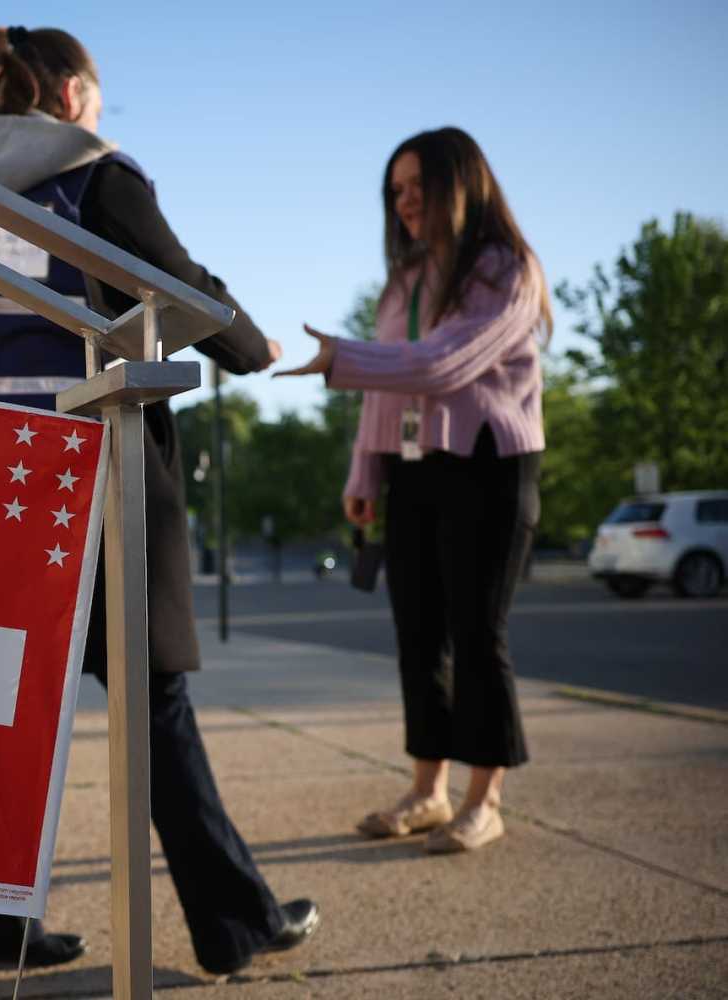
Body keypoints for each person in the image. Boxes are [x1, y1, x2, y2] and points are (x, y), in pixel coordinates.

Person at [0, 25, 320, 974]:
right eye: (98, 93)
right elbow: (182, 288)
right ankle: (233, 923)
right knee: (153, 701)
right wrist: (252, 347)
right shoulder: (93, 172)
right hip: (94, 471)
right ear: (68, 94)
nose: (101, 110)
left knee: (0, 706)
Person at [276, 126, 550, 853]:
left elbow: (439, 367)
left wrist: (339, 357)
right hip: (414, 473)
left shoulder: (505, 271)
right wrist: (364, 474)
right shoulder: (405, 282)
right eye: (394, 191)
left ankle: (483, 798)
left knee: (476, 632)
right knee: (418, 632)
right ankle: (427, 790)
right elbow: (385, 392)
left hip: (488, 468)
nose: (403, 203)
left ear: (461, 185)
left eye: (417, 187)